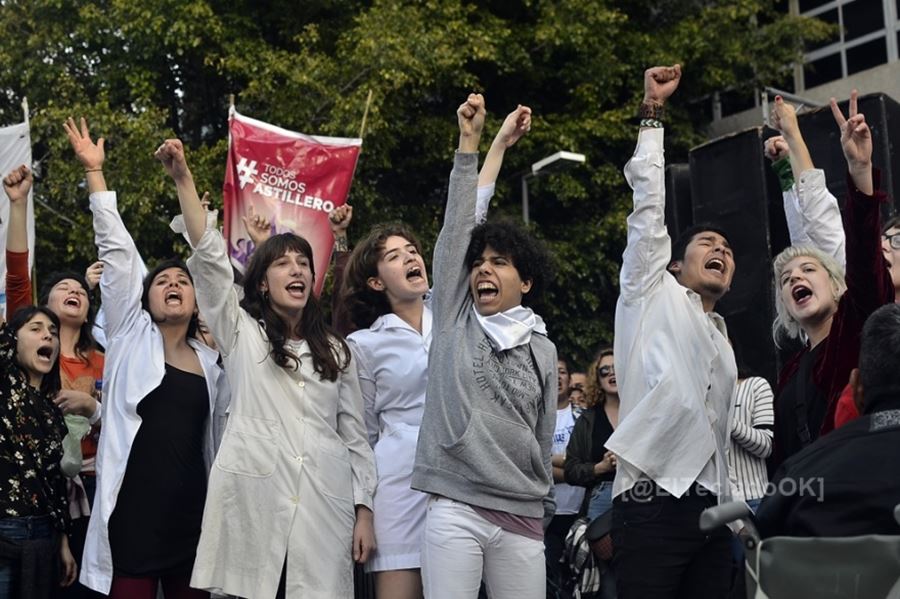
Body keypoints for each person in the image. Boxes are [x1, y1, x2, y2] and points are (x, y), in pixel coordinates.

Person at [165, 137, 376, 599]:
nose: (297, 270)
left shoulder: (337, 352)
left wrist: (364, 510)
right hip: (254, 502)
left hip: (326, 504)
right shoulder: (242, 333)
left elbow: (355, 438)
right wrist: (183, 178)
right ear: (263, 281)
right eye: (283, 263)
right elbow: (210, 263)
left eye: (304, 262)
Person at [340, 105, 532, 599]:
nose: (411, 257)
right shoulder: (362, 344)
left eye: (412, 250)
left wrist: (494, 146)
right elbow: (360, 435)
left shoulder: (455, 315)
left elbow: (466, 223)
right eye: (393, 256)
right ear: (373, 280)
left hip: (462, 476)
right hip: (398, 483)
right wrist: (363, 509)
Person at [65, 118, 228, 599]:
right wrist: (95, 172)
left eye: (183, 281)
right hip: (133, 524)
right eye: (162, 281)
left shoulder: (215, 365)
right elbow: (116, 248)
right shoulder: (130, 335)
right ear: (145, 299)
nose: (174, 284)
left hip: (192, 526)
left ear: (198, 302)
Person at [411, 94, 557, 599]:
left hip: (522, 513)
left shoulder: (543, 346)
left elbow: (542, 436)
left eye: (500, 262)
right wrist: (473, 144)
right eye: (479, 262)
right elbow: (459, 228)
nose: (483, 270)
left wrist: (545, 505)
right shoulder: (455, 316)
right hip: (455, 505)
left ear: (527, 282)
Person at [605, 65, 735, 598]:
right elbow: (648, 213)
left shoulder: (724, 338)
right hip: (649, 502)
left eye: (728, 249)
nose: (721, 250)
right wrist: (653, 114)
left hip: (713, 511)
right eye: (707, 243)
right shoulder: (648, 293)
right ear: (674, 266)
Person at [770, 91, 894, 465]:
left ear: (839, 285)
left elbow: (844, 242)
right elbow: (806, 238)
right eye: (786, 279)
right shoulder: (791, 372)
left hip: (859, 495)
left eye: (808, 271)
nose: (796, 278)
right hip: (809, 509)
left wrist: (859, 172)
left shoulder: (855, 333)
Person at [4, 165, 105, 599]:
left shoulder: (106, 359)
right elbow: (17, 276)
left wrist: (94, 410)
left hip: (95, 487)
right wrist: (19, 202)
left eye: (80, 288)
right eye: (63, 286)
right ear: (37, 312)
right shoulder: (23, 359)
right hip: (24, 508)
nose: (74, 290)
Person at [756, 303, 900, 538]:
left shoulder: (797, 477)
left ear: (855, 387)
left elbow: (762, 555)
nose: (794, 278)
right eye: (785, 277)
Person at [0, 167, 78, 598]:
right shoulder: (2, 380)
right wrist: (18, 204)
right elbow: (17, 283)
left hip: (44, 538)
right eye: (36, 328)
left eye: (52, 330)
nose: (48, 334)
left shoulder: (52, 412)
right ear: (12, 340)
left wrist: (64, 542)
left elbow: (53, 483)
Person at [564, 348, 619, 599]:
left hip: (639, 497)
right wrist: (600, 468)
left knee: (639, 569)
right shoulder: (588, 419)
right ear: (597, 378)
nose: (611, 373)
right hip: (602, 499)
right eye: (604, 370)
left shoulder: (641, 412)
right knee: (606, 574)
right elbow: (572, 468)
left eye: (616, 368)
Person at [547, 358, 585, 596]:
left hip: (579, 514)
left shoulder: (583, 418)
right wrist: (578, 472)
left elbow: (590, 460)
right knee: (550, 582)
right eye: (553, 372)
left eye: (562, 372)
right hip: (546, 515)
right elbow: (533, 465)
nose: (558, 377)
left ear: (570, 380)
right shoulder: (534, 418)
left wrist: (549, 462)